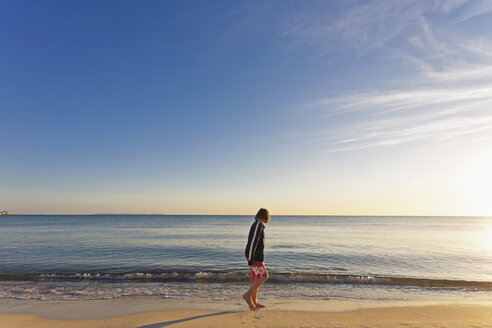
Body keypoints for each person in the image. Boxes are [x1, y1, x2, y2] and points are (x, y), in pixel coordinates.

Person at [243, 208, 270, 311]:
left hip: (255, 257)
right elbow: (252, 242)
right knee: (264, 276)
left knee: (257, 278)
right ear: (266, 216)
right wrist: (250, 259)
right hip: (254, 258)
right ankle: (247, 295)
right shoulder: (258, 224)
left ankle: (254, 302)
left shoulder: (258, 224)